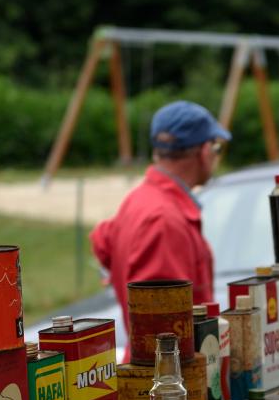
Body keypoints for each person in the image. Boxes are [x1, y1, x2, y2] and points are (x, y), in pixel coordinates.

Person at [90, 100, 231, 351]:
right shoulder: (163, 220)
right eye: (216, 146)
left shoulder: (142, 200)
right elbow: (162, 331)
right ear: (204, 151)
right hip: (169, 384)